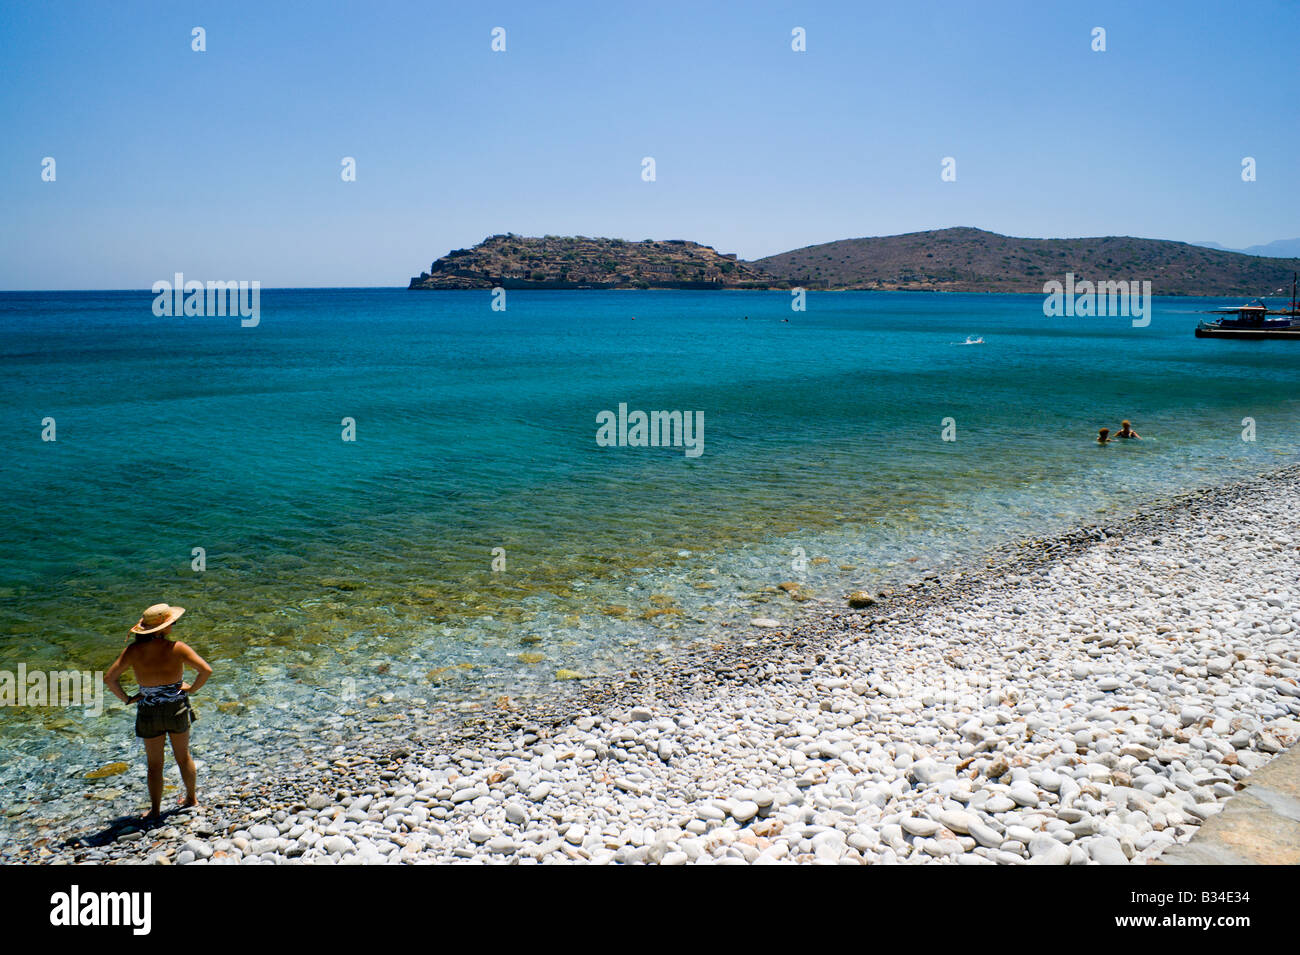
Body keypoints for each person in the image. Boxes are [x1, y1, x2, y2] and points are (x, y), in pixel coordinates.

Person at [105, 603, 212, 818]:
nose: (174, 623)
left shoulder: (133, 651)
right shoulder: (178, 648)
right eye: (171, 621)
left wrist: (128, 698)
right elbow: (205, 670)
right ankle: (191, 798)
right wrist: (191, 688)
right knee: (183, 757)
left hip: (148, 710)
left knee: (154, 765)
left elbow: (109, 678)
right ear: (162, 629)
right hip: (176, 708)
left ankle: (155, 810)